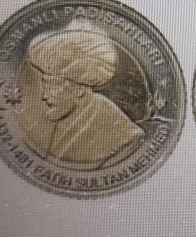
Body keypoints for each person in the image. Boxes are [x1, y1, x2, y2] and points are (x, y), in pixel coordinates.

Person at [22, 22, 144, 167]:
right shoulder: (68, 119)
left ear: (80, 89)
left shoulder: (122, 136)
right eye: (44, 83)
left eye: (53, 85)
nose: (44, 95)